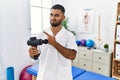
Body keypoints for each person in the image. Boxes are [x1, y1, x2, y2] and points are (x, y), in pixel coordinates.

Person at [28, 4, 77, 80]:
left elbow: (72, 56)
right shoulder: (41, 34)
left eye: (57, 15)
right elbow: (35, 57)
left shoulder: (69, 35)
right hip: (44, 76)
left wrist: (54, 44)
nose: (53, 18)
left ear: (63, 17)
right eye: (51, 15)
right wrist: (32, 54)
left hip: (62, 77)